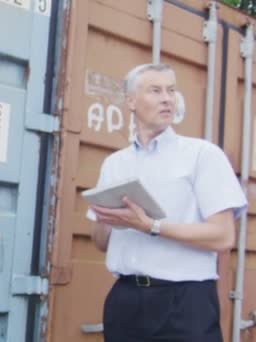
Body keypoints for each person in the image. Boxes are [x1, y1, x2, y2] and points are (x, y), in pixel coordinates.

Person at [87, 63, 247, 341]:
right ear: (131, 102)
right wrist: (107, 217)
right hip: (126, 301)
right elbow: (101, 242)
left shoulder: (202, 155)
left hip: (185, 303)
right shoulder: (114, 164)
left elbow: (223, 237)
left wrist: (151, 226)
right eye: (155, 90)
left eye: (171, 90)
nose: (167, 98)